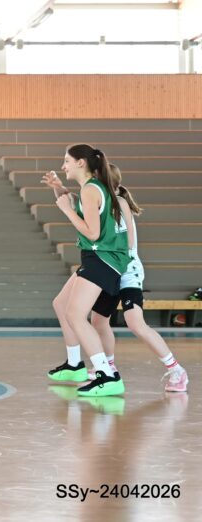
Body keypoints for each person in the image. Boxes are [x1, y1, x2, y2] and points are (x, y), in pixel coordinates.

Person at [48, 164, 188, 393]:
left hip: (127, 269)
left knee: (135, 322)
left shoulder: (119, 204)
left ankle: (176, 370)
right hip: (110, 267)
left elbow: (128, 244)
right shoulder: (99, 201)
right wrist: (58, 187)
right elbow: (73, 201)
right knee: (98, 321)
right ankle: (108, 367)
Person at [45, 145, 130, 397]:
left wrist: (67, 211)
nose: (63, 166)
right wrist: (59, 188)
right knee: (61, 304)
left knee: (75, 314)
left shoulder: (91, 190)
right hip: (99, 257)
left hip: (104, 258)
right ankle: (74, 365)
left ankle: (107, 375)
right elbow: (84, 209)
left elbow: (92, 233)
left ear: (81, 162)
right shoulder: (92, 188)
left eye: (67, 161)